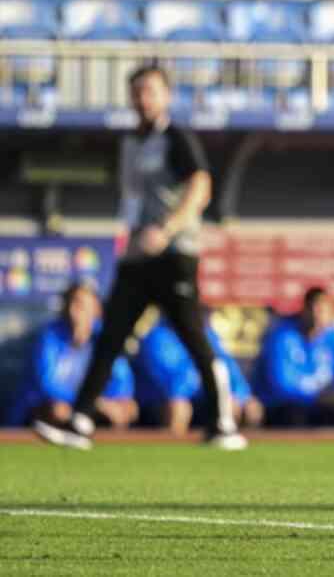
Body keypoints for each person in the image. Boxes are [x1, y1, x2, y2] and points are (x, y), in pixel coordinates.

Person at [33, 66, 246, 452]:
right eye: (136, 92)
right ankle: (81, 421)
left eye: (150, 91)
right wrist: (128, 240)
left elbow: (201, 187)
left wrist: (166, 230)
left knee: (194, 338)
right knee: (109, 336)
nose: (142, 99)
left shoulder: (178, 138)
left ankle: (222, 422)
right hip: (136, 258)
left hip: (175, 254)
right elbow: (131, 200)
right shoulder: (129, 143)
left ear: (166, 95)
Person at [7, 283, 137, 431]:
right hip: (54, 406)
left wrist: (108, 404)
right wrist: (88, 402)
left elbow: (123, 381)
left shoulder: (105, 337)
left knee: (128, 409)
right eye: (71, 302)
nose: (74, 310)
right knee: (59, 411)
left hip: (92, 406)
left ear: (96, 309)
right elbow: (45, 384)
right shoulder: (50, 336)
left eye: (81, 304)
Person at [254, 286, 334, 426]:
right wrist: (320, 398)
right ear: (305, 310)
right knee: (294, 412)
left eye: (325, 310)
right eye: (316, 309)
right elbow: (282, 385)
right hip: (283, 405)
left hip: (321, 404)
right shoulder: (282, 336)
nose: (319, 316)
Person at [134, 318, 263, 435]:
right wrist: (202, 380)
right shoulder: (158, 336)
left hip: (201, 396)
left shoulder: (208, 334)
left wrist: (240, 394)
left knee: (245, 406)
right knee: (179, 408)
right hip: (164, 401)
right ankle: (172, 454)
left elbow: (227, 368)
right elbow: (170, 384)